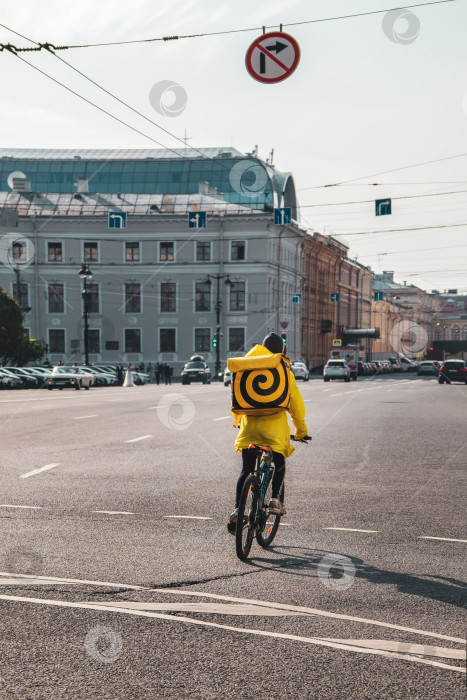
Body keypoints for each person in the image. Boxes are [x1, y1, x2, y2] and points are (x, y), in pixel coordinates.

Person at [228, 332, 310, 534]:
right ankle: (274, 500)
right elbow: (296, 406)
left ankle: (238, 510)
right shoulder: (283, 370)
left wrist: (238, 421)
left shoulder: (245, 366)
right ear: (281, 351)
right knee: (279, 462)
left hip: (248, 431)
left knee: (246, 470)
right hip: (274, 434)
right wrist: (301, 431)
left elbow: (238, 397)